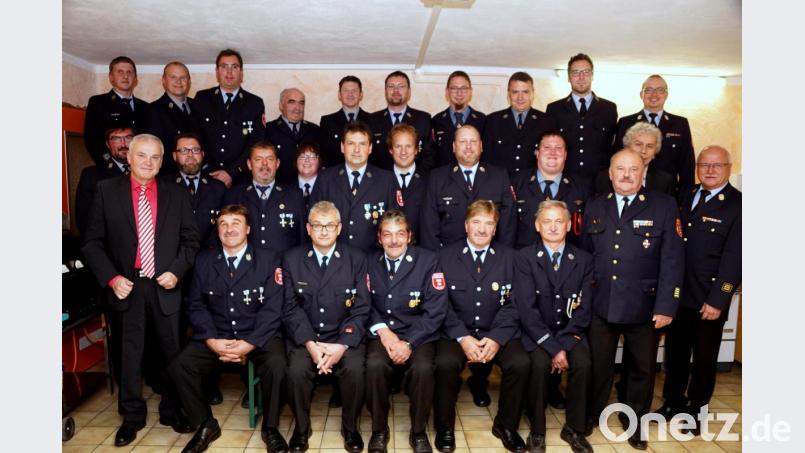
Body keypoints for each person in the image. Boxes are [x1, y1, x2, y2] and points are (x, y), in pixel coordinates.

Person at [81, 133, 199, 446]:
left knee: (172, 352)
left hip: (165, 285)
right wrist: (112, 278)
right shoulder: (107, 191)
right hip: (127, 286)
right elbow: (92, 243)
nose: (148, 162)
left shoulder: (176, 193)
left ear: (163, 161)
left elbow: (191, 240)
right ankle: (132, 416)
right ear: (129, 158)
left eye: (155, 157)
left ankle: (172, 410)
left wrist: (176, 271)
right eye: (142, 155)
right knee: (129, 355)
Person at [581, 149, 683, 450]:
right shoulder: (595, 204)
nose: (626, 175)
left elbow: (673, 260)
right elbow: (585, 256)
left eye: (633, 169)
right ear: (610, 173)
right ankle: (593, 413)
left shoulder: (664, 205)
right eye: (620, 169)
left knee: (642, 368)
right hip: (601, 301)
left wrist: (666, 305)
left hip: (645, 305)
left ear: (643, 173)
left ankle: (635, 419)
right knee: (598, 365)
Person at [168, 204, 288, 453]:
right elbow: (196, 304)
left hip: (258, 335)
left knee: (278, 364)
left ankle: (271, 427)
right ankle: (205, 424)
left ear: (248, 229)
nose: (229, 229)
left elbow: (273, 308)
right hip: (218, 334)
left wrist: (250, 343)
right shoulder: (204, 260)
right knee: (180, 366)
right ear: (217, 229)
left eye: (236, 223)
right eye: (223, 224)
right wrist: (211, 340)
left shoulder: (269, 259)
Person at [434, 200, 530, 453]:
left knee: (520, 363)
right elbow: (440, 303)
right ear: (466, 225)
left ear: (495, 229)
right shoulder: (444, 257)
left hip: (497, 330)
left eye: (488, 223)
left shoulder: (512, 258)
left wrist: (496, 338)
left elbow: (516, 303)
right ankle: (444, 427)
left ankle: (506, 425)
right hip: (456, 331)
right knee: (444, 363)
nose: (481, 229)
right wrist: (463, 337)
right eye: (476, 222)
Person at [658, 146, 741, 435]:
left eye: (717, 165)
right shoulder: (684, 194)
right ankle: (672, 402)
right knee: (675, 354)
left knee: (704, 358)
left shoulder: (738, 204)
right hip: (677, 294)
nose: (710, 170)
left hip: (708, 298)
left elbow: (736, 256)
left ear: (729, 168)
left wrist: (719, 299)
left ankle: (696, 409)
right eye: (704, 164)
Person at [282, 201, 370, 453]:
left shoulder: (356, 259)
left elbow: (361, 308)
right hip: (306, 336)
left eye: (329, 225)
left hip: (343, 336)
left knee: (355, 369)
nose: (323, 231)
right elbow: (290, 308)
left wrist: (342, 345)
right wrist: (311, 345)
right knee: (296, 371)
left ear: (339, 228)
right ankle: (301, 428)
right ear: (308, 229)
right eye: (317, 225)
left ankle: (350, 428)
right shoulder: (292, 259)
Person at [514, 200, 595, 453]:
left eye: (559, 221)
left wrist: (565, 344)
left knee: (583, 364)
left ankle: (574, 428)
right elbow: (526, 310)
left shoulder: (583, 259)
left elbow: (584, 308)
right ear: (537, 226)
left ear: (569, 225)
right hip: (537, 333)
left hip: (570, 332)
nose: (553, 227)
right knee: (538, 365)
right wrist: (553, 348)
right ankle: (537, 431)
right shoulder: (524, 258)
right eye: (546, 221)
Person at [365, 209, 447, 453]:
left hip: (418, 333)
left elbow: (436, 310)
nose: (394, 241)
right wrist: (384, 332)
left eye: (400, 234)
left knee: (423, 368)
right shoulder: (368, 262)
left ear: (409, 236)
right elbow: (362, 303)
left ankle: (418, 431)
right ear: (379, 238)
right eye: (387, 234)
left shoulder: (429, 261)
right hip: (382, 332)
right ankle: (379, 430)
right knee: (374, 365)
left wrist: (408, 342)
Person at [420, 124, 516, 250]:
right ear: (454, 147)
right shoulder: (437, 178)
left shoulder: (499, 176)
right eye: (463, 142)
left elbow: (508, 224)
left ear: (481, 146)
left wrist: (502, 256)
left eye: (473, 142)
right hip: (448, 256)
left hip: (491, 255)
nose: (468, 147)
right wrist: (436, 258)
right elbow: (429, 225)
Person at [309, 121, 396, 252]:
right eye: (351, 143)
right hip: (335, 258)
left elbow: (394, 223)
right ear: (342, 147)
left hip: (373, 258)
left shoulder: (386, 180)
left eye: (362, 144)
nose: (356, 149)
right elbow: (313, 220)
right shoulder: (325, 178)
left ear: (370, 148)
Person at [193, 49, 266, 188]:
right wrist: (209, 169)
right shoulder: (202, 99)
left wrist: (232, 172)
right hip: (207, 177)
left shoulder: (254, 103)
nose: (229, 72)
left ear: (241, 73)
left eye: (234, 67)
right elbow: (195, 138)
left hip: (240, 179)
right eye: (224, 67)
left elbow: (256, 144)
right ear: (217, 72)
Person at [614, 75, 695, 195]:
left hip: (668, 193)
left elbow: (687, 165)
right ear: (641, 94)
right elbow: (617, 159)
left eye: (660, 90)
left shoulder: (680, 124)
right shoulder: (625, 123)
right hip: (632, 190)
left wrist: (685, 198)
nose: (654, 95)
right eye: (648, 90)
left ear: (666, 95)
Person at [546, 53, 618, 185]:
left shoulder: (609, 109)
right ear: (569, 77)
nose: (581, 77)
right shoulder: (554, 109)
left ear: (592, 75)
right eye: (576, 72)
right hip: (566, 181)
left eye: (586, 72)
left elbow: (614, 147)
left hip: (601, 182)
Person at [513, 131, 591, 249]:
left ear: (565, 155)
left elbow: (586, 232)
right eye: (547, 147)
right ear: (537, 153)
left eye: (558, 148)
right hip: (523, 257)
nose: (552, 152)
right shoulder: (516, 183)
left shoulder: (582, 186)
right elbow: (507, 227)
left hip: (568, 257)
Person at [224, 141, 306, 253]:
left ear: (277, 163)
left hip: (283, 262)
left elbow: (303, 239)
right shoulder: (234, 195)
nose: (264, 164)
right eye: (258, 159)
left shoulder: (294, 195)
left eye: (270, 159)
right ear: (249, 164)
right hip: (248, 262)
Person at [482, 72, 556, 178]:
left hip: (533, 184)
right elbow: (487, 160)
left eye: (525, 92)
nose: (520, 97)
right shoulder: (493, 121)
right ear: (508, 94)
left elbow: (551, 158)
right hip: (501, 183)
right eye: (515, 92)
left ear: (532, 93)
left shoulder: (547, 122)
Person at [165, 132, 227, 248]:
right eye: (184, 150)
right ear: (174, 156)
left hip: (209, 254)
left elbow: (222, 227)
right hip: (173, 254)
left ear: (202, 154)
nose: (190, 155)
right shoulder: (164, 187)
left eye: (195, 150)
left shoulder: (218, 188)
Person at [84, 56, 148, 166]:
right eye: (120, 72)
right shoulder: (99, 103)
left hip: (141, 166)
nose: (125, 76)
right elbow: (93, 140)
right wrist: (110, 166)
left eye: (129, 72)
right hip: (111, 168)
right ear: (111, 77)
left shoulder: (145, 107)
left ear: (135, 78)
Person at [368, 71, 435, 172]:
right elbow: (368, 156)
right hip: (380, 179)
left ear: (409, 91)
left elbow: (429, 156)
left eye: (401, 86)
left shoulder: (423, 119)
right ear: (385, 91)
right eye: (391, 86)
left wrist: (414, 177)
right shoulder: (373, 120)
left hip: (415, 179)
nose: (396, 90)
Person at [76, 126, 133, 236]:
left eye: (128, 138)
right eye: (116, 139)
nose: (123, 144)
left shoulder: (149, 170)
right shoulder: (91, 176)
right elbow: (85, 221)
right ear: (108, 144)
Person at [594, 122, 675, 197]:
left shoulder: (665, 181)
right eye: (638, 144)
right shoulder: (604, 178)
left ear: (655, 151)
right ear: (627, 146)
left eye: (650, 146)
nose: (643, 151)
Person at [145, 61, 196, 175]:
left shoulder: (197, 105)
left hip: (197, 172)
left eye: (183, 77)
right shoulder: (154, 110)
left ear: (189, 81)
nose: (178, 81)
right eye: (173, 77)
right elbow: (155, 150)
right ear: (164, 81)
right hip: (170, 176)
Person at [266, 87, 321, 185]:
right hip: (280, 188)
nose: (297, 108)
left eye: (301, 103)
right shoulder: (268, 130)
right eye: (291, 102)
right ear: (281, 105)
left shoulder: (315, 130)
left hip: (309, 188)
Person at [432, 71, 486, 167]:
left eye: (464, 88)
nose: (459, 92)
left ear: (470, 92)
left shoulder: (483, 121)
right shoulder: (436, 121)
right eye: (454, 88)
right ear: (447, 92)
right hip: (444, 175)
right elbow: (432, 156)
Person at [319, 76, 371, 168]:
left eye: (354, 90)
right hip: (335, 173)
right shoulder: (327, 122)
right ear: (339, 95)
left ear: (361, 95)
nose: (350, 94)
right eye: (346, 90)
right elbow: (324, 155)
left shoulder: (372, 119)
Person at [388, 124, 427, 244]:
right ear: (391, 150)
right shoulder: (380, 181)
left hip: (421, 249)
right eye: (398, 146)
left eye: (408, 146)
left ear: (416, 150)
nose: (403, 152)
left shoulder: (429, 180)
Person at [295, 140, 322, 215]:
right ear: (296, 161)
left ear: (319, 161)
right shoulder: (286, 187)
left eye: (312, 157)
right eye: (302, 157)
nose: (307, 160)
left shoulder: (327, 187)